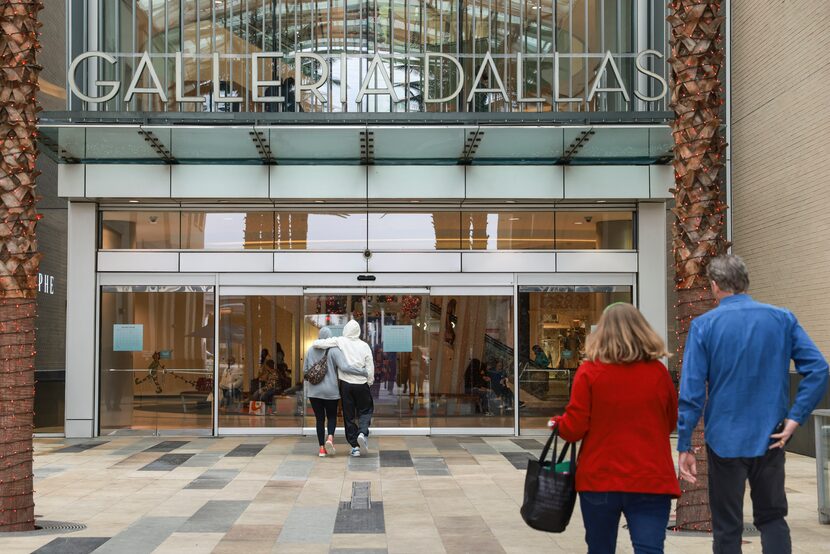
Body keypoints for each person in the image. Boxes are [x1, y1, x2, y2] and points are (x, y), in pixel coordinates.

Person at [677, 255, 828, 554]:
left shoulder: (704, 325)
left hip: (724, 439)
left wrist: (684, 444)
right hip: (771, 435)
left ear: (716, 285)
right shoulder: (782, 318)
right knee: (772, 518)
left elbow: (692, 391)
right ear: (744, 282)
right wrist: (796, 418)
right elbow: (819, 369)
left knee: (727, 526)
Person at [550, 302, 680, 554]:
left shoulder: (589, 372)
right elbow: (670, 422)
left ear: (602, 333)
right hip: (650, 477)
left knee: (600, 549)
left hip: (600, 478)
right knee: (650, 549)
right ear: (642, 331)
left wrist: (558, 423)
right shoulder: (658, 372)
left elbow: (574, 429)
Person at [304, 327, 369, 457]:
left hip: (314, 392)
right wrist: (362, 372)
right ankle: (330, 439)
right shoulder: (334, 350)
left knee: (319, 419)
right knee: (332, 416)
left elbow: (305, 371)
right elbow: (345, 367)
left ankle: (322, 449)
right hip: (330, 391)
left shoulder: (310, 350)